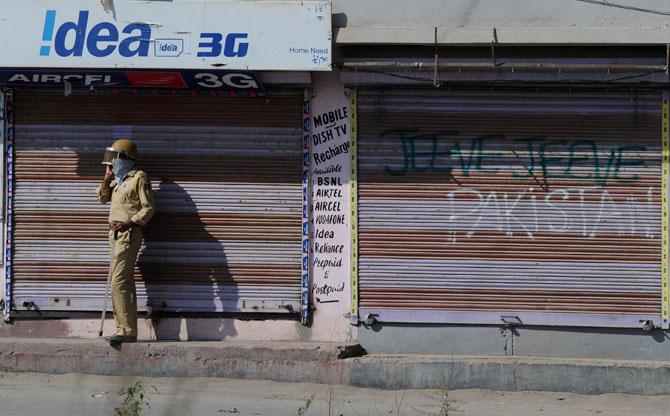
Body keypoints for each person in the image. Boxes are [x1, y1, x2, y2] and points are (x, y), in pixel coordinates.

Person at [96, 139, 155, 345]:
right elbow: (102, 199)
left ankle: (125, 331)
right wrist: (106, 179)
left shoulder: (138, 178)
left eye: (116, 157)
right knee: (124, 281)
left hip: (129, 233)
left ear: (127, 158)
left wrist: (129, 223)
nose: (112, 161)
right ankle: (127, 330)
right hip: (114, 235)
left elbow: (148, 208)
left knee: (118, 281)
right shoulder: (117, 180)